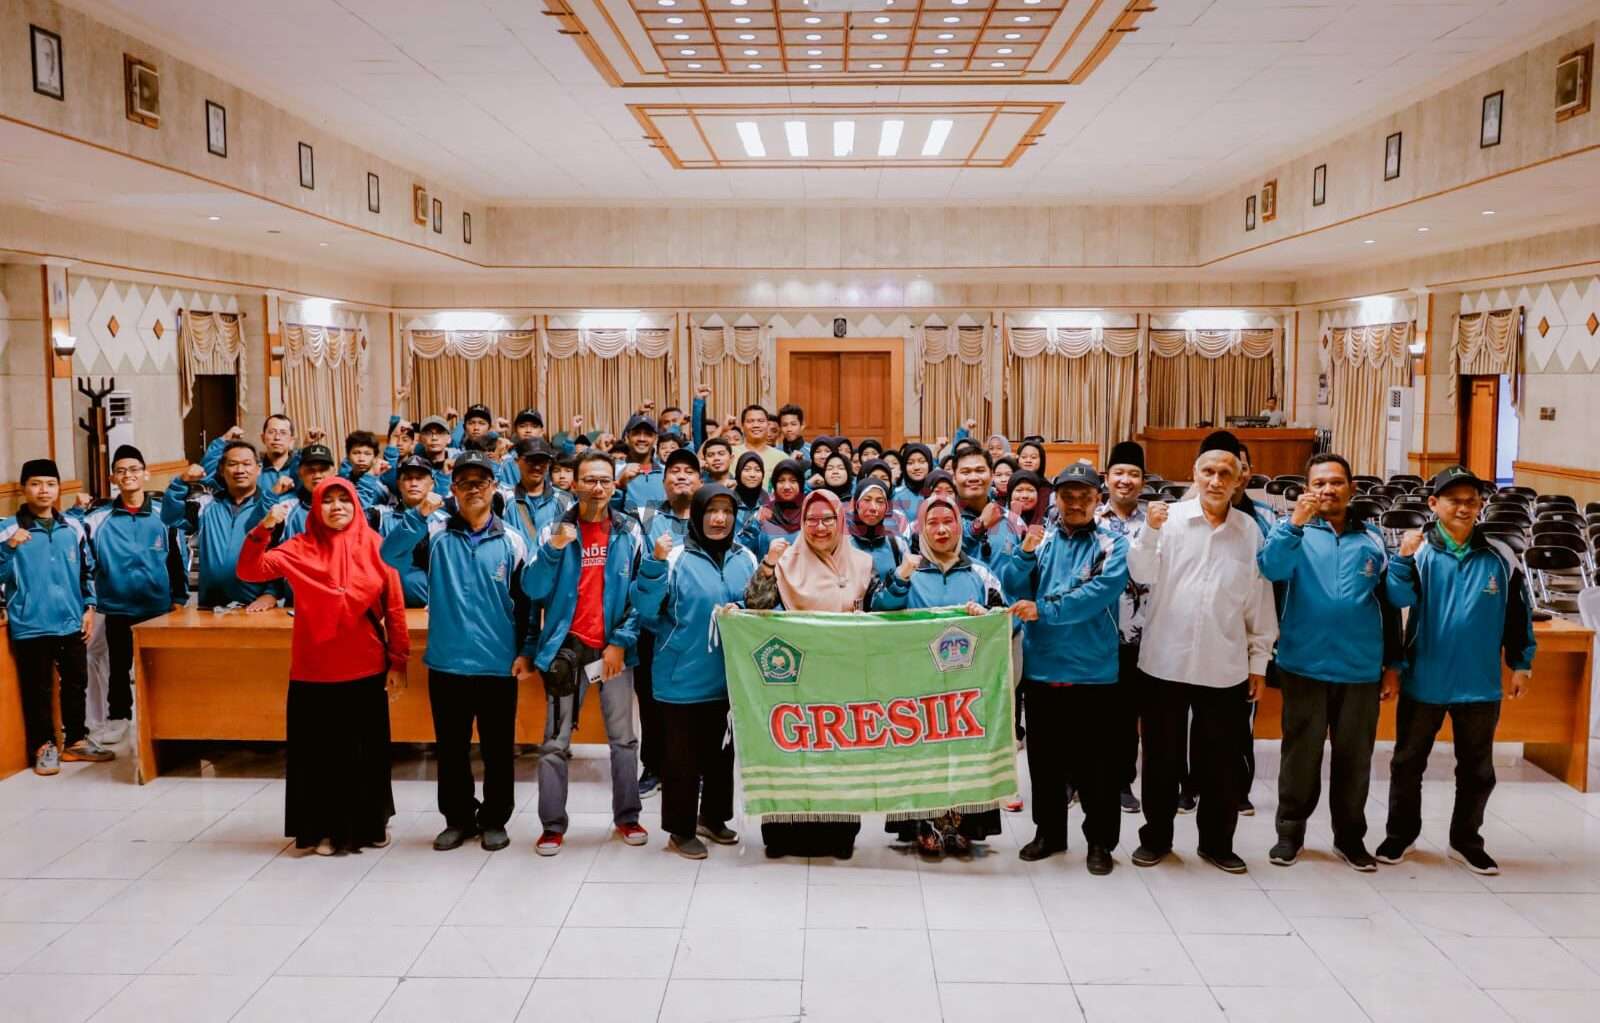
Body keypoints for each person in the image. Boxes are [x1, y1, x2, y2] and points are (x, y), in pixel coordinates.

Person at [1127, 432, 1277, 874]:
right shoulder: (1166, 522)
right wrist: (1151, 533)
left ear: (1239, 480)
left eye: (1225, 474)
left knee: (1221, 764)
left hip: (1224, 665)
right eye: (1207, 472)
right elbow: (1139, 572)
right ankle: (1155, 838)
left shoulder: (1249, 532)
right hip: (1164, 662)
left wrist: (1258, 662)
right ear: (1193, 474)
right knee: (1160, 760)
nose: (1215, 481)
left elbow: (1258, 601)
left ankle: (1217, 843)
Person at [1377, 465, 1535, 876]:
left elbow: (1519, 614)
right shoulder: (1419, 550)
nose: (1464, 508)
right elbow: (1396, 602)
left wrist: (1521, 663)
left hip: (1479, 684)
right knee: (1408, 764)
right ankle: (1401, 835)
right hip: (1424, 678)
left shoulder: (1501, 555)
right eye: (1454, 500)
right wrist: (1402, 560)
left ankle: (1466, 841)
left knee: (1478, 770)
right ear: (1434, 504)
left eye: (1472, 500)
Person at [237, 476, 408, 855]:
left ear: (356, 505)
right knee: (320, 757)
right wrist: (264, 529)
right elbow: (250, 571)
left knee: (364, 755)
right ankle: (324, 829)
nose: (336, 507)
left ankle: (368, 825)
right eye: (327, 500)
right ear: (315, 507)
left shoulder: (378, 547)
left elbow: (394, 608)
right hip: (313, 670)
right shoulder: (299, 547)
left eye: (343, 500)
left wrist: (399, 661)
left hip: (364, 667)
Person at [380, 452, 533, 853]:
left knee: (498, 750)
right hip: (447, 663)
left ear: (494, 488)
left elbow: (527, 601)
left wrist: (526, 650)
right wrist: (416, 515)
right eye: (464, 482)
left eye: (481, 482)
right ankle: (459, 818)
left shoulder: (513, 541)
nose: (473, 489)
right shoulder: (435, 535)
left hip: (498, 665)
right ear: (454, 490)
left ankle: (496, 819)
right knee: (451, 749)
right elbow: (388, 557)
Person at [1258, 453, 1397, 871]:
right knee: (1300, 755)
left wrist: (1393, 665)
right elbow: (1270, 568)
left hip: (1360, 668)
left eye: (1336, 482)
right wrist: (1295, 524)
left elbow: (1390, 608)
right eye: (1319, 483)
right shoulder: (1292, 533)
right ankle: (1290, 833)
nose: (1328, 490)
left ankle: (1350, 838)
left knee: (1355, 757)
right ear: (1307, 489)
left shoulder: (1373, 539)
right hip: (1304, 663)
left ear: (1351, 489)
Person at [996, 465, 1129, 873]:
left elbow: (1099, 591)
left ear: (1097, 500)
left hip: (1093, 672)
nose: (1074, 503)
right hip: (1042, 669)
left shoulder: (1113, 543)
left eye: (1083, 496)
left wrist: (1046, 609)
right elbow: (1013, 587)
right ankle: (1049, 834)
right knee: (1045, 763)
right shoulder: (1043, 539)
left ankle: (1100, 843)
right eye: (1066, 495)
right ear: (1054, 498)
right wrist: (1023, 554)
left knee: (1098, 767)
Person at [521, 450, 647, 856]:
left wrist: (619, 643)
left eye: (605, 480)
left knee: (624, 740)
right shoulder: (552, 530)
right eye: (589, 479)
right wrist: (555, 548)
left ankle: (627, 817)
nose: (598, 487)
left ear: (614, 485)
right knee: (554, 744)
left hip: (611, 654)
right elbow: (534, 590)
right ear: (572, 483)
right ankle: (552, 827)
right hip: (566, 652)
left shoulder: (629, 531)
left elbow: (639, 597)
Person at [871, 494, 1012, 857]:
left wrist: (985, 616)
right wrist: (902, 578)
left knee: (963, 753)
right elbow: (879, 611)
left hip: (967, 686)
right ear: (921, 529)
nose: (941, 529)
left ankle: (962, 826)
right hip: (917, 684)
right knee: (923, 754)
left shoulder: (979, 572)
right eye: (932, 522)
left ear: (960, 527)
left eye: (948, 521)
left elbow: (1006, 623)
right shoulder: (909, 569)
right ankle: (924, 825)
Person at [744, 488, 876, 859]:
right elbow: (755, 605)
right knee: (793, 753)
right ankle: (783, 837)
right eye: (811, 519)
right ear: (802, 522)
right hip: (793, 679)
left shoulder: (863, 563)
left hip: (843, 676)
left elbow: (880, 613)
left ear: (839, 520)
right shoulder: (785, 560)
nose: (819, 527)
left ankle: (839, 836)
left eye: (827, 519)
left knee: (839, 754)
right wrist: (768, 565)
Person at [630, 485, 759, 859]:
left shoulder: (746, 557)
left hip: (729, 677)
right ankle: (680, 829)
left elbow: (758, 605)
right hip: (681, 677)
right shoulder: (673, 557)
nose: (719, 519)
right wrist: (653, 564)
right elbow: (645, 607)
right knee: (681, 761)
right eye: (711, 511)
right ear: (699, 515)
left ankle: (714, 818)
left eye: (726, 511)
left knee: (721, 755)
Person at [1, 459, 109, 774]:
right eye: (36, 483)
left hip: (70, 620)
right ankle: (44, 746)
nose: (43, 490)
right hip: (30, 623)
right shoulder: (8, 528)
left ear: (59, 488)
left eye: (50, 483)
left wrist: (88, 606)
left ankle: (76, 741)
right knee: (37, 688)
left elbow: (86, 570)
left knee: (76, 682)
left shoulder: (72, 527)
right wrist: (8, 547)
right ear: (24, 488)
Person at [78, 445, 188, 744]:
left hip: (159, 607)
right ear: (113, 477)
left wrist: (179, 598)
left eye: (134, 469)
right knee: (118, 664)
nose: (129, 475)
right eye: (122, 470)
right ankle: (120, 717)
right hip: (117, 606)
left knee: (162, 666)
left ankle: (166, 713)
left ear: (146, 474)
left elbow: (176, 558)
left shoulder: (162, 515)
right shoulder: (97, 520)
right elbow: (87, 564)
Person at [633, 447, 704, 796]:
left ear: (700, 481)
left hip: (694, 626)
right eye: (674, 471)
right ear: (663, 482)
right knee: (649, 701)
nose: (681, 476)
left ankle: (697, 767)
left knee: (696, 702)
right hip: (653, 625)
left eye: (689, 471)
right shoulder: (645, 517)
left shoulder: (709, 517)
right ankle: (654, 766)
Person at [1095, 441, 1151, 815]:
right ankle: (1077, 779)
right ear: (1107, 478)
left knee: (1127, 713)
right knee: (1087, 711)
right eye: (1119, 473)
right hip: (1095, 633)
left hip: (1142, 634)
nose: (1126, 480)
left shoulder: (1156, 522)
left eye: (1133, 474)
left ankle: (1121, 781)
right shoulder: (1090, 518)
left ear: (1143, 481)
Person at [164, 440, 279, 611]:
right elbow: (170, 517)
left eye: (247, 464)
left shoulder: (271, 508)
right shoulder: (205, 505)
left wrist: (271, 594)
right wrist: (180, 483)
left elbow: (281, 554)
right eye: (232, 464)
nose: (240, 470)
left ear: (258, 468)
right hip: (210, 608)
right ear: (221, 469)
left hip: (256, 607)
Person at [367, 455, 449, 607]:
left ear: (431, 484)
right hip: (385, 605)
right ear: (398, 484)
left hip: (435, 608)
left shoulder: (446, 521)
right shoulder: (378, 516)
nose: (413, 483)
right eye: (408, 478)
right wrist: (369, 476)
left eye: (420, 478)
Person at [498, 437, 573, 548]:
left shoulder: (563, 499)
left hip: (551, 563)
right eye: (530, 460)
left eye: (542, 461)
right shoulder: (504, 498)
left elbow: (565, 543)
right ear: (517, 461)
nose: (537, 466)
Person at [739, 458, 806, 560]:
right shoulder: (764, 513)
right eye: (781, 481)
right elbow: (743, 551)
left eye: (793, 481)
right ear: (774, 484)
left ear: (800, 484)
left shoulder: (809, 512)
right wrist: (755, 524)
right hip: (767, 572)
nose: (787, 486)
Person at [274, 444, 339, 543]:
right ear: (300, 474)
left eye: (323, 469)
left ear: (334, 472)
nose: (317, 475)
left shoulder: (345, 504)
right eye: (310, 470)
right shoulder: (285, 506)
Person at [847, 477, 907, 580]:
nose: (873, 508)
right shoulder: (843, 543)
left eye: (880, 501)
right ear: (856, 504)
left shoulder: (897, 544)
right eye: (867, 500)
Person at [614, 413, 663, 515]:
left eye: (648, 434)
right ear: (627, 438)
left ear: (656, 439)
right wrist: (619, 485)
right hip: (625, 529)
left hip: (660, 530)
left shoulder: (666, 472)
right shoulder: (614, 469)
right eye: (636, 433)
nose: (642, 438)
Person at [732, 404, 786, 481]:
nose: (756, 425)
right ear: (742, 426)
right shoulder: (730, 453)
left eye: (761, 421)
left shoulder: (781, 457)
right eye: (750, 421)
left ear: (767, 425)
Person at [341, 431, 390, 507]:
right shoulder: (341, 481)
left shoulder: (383, 483)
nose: (361, 459)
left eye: (367, 454)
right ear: (348, 456)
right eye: (356, 453)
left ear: (375, 457)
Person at [893, 443, 934, 520]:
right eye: (910, 463)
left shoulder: (937, 491)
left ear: (929, 464)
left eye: (922, 462)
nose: (916, 467)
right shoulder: (898, 496)